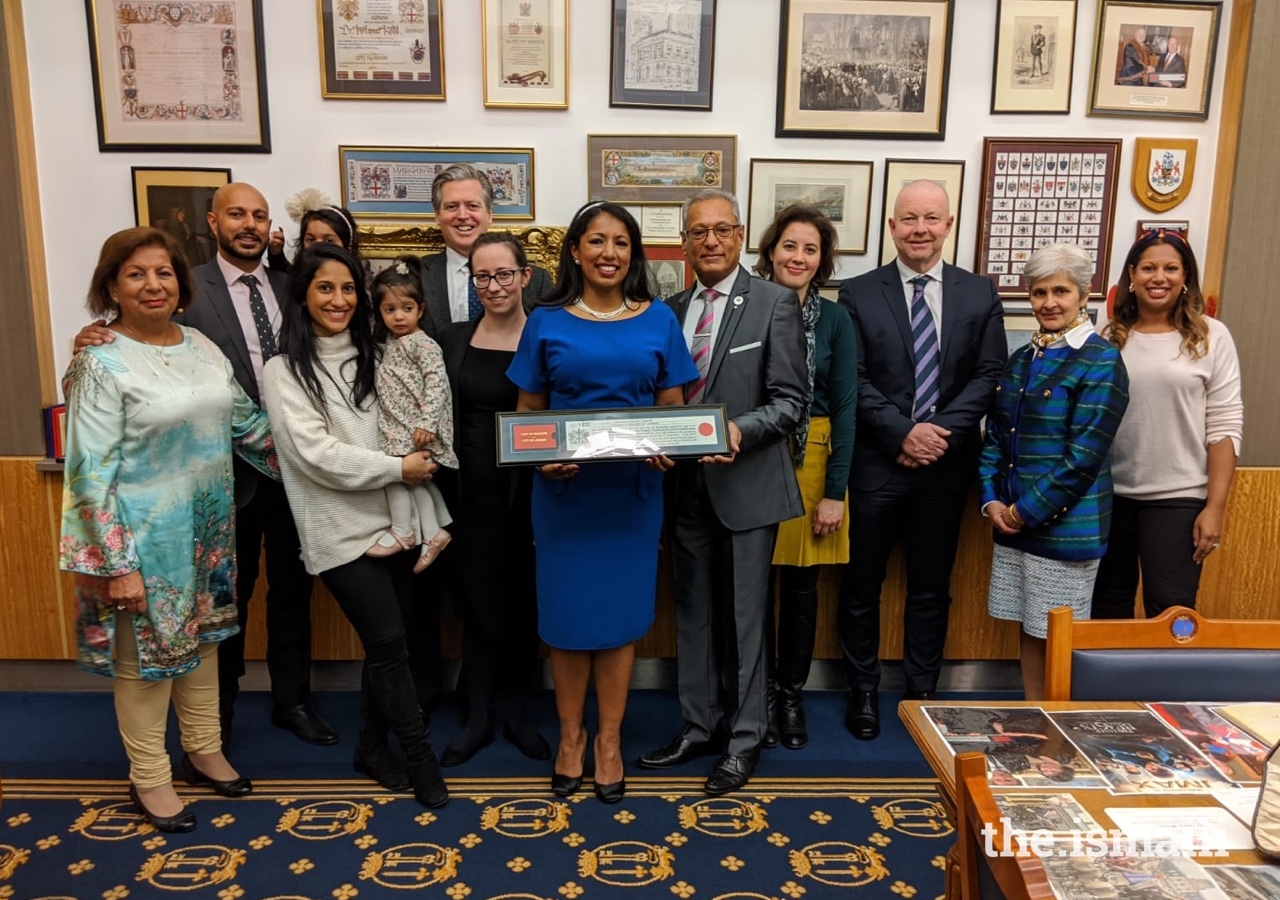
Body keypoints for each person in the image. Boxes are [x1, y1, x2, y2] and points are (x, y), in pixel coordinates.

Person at [73, 183, 333, 749]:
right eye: (237, 214)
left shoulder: (294, 287)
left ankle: (292, 701)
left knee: (291, 595)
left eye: (260, 216)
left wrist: (333, 464)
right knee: (226, 603)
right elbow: (131, 360)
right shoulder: (185, 286)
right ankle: (219, 720)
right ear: (212, 222)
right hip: (212, 492)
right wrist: (92, 338)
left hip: (291, 469)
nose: (250, 224)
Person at [61, 227, 274, 832]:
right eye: (136, 274)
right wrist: (116, 565)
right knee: (145, 665)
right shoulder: (99, 362)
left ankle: (204, 750)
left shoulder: (202, 346)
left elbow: (248, 427)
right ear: (111, 287)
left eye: (163, 273)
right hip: (140, 544)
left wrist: (330, 462)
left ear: (180, 283)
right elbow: (88, 475)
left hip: (207, 536)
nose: (153, 285)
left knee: (203, 648)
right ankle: (149, 779)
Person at [508, 201, 698, 803]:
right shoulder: (545, 320)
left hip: (632, 495)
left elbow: (672, 407)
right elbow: (527, 417)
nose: (609, 253)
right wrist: (542, 457)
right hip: (565, 495)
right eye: (596, 241)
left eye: (621, 242)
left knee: (618, 623)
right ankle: (571, 739)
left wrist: (670, 447)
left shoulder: (660, 318)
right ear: (575, 252)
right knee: (566, 624)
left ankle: (609, 742)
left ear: (634, 253)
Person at [262, 243, 449, 809]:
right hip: (338, 528)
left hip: (398, 519)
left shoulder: (379, 351)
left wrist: (426, 443)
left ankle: (371, 745)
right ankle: (420, 757)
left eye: (348, 288)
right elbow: (313, 453)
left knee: (387, 643)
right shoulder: (284, 370)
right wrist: (398, 467)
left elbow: (418, 404)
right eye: (325, 288)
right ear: (302, 295)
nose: (338, 299)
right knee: (390, 643)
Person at [638, 189, 807, 795]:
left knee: (745, 621)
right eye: (698, 232)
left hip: (748, 487)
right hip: (681, 488)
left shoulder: (773, 303)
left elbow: (791, 402)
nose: (710, 241)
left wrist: (739, 429)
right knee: (693, 616)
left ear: (740, 236)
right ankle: (698, 726)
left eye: (722, 230)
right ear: (684, 241)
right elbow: (659, 399)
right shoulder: (666, 309)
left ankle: (744, 740)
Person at [837, 180, 1006, 739]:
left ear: (949, 224)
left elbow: (989, 376)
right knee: (862, 587)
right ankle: (861, 691)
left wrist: (937, 434)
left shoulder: (979, 293)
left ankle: (922, 694)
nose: (920, 230)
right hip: (877, 465)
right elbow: (852, 380)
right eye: (909, 218)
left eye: (931, 219)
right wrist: (903, 433)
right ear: (892, 226)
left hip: (946, 468)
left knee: (932, 588)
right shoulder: (859, 293)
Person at [979, 243, 1130, 700]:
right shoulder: (1023, 358)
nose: (1049, 302)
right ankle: (1035, 715)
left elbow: (1083, 456)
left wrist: (1025, 511)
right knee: (1029, 626)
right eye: (1040, 292)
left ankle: (1059, 734)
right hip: (1013, 522)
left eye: (1060, 291)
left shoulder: (1102, 360)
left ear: (1084, 296)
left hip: (1065, 530)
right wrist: (991, 500)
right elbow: (996, 439)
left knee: (1060, 636)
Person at [433, 232, 549, 768]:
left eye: (505, 274)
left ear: (525, 277)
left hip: (532, 495)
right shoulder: (451, 338)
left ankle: (519, 714)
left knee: (525, 605)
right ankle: (478, 717)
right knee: (478, 608)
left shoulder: (548, 335)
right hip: (466, 496)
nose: (494, 286)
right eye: (483, 276)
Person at [1091, 230, 1243, 619]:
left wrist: (1216, 507)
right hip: (1109, 498)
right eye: (1148, 268)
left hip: (1178, 499)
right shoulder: (1107, 336)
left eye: (1171, 268)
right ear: (1131, 274)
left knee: (1171, 611)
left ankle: (1162, 685)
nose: (1159, 277)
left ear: (1185, 275)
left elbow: (1224, 425)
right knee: (1107, 610)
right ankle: (1112, 684)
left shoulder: (1212, 336)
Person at [752, 205, 857, 751]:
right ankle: (753, 700)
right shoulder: (747, 307)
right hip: (754, 455)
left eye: (810, 249)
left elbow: (845, 408)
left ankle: (789, 696)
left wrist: (835, 492)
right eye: (789, 246)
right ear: (771, 251)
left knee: (799, 590)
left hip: (814, 461)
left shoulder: (837, 320)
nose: (798, 257)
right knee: (749, 589)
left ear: (822, 261)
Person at [372, 257, 456, 572]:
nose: (398, 316)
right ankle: (434, 531)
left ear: (420, 310)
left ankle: (403, 531)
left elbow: (437, 385)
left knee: (396, 476)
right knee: (414, 481)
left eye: (407, 308)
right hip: (398, 425)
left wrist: (427, 423)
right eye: (389, 309)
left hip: (416, 428)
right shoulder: (389, 344)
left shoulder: (424, 345)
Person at [418, 164, 553, 337]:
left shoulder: (537, 281)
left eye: (472, 206)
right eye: (452, 206)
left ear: (489, 214)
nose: (463, 215)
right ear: (437, 216)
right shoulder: (416, 275)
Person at [267, 189, 365, 279]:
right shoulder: (299, 278)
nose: (318, 246)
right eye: (311, 240)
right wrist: (276, 254)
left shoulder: (355, 279)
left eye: (329, 241)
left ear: (348, 246)